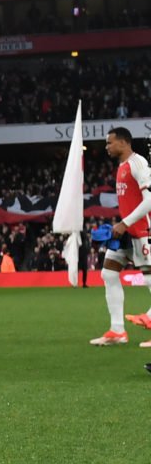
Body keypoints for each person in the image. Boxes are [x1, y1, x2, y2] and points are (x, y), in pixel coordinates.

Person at [89, 127, 151, 347]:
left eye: (109, 142)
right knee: (108, 273)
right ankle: (117, 331)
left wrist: (125, 222)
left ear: (124, 143)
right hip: (128, 233)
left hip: (144, 231)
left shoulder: (138, 163)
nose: (107, 147)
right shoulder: (122, 167)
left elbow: (149, 200)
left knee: (150, 279)